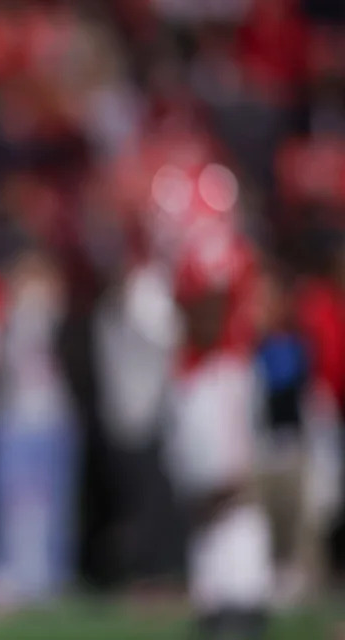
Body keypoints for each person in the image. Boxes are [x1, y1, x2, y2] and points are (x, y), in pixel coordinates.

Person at [166, 219, 274, 640]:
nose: (207, 313)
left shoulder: (236, 371)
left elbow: (249, 463)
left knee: (243, 612)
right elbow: (182, 456)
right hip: (204, 524)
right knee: (213, 618)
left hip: (238, 522)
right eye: (198, 304)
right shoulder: (185, 377)